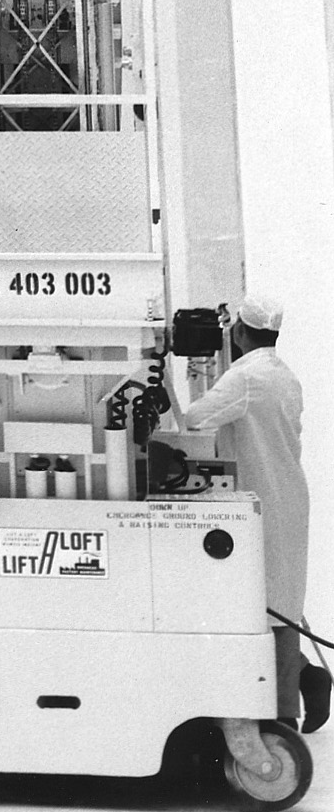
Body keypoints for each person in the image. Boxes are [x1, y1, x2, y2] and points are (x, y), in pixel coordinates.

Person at [159, 292, 309, 725]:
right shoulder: (282, 374)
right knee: (280, 602)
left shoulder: (245, 378)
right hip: (286, 496)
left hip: (262, 500)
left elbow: (193, 420)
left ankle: (284, 718)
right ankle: (303, 685)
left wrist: (166, 373)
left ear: (239, 331)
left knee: (265, 607)